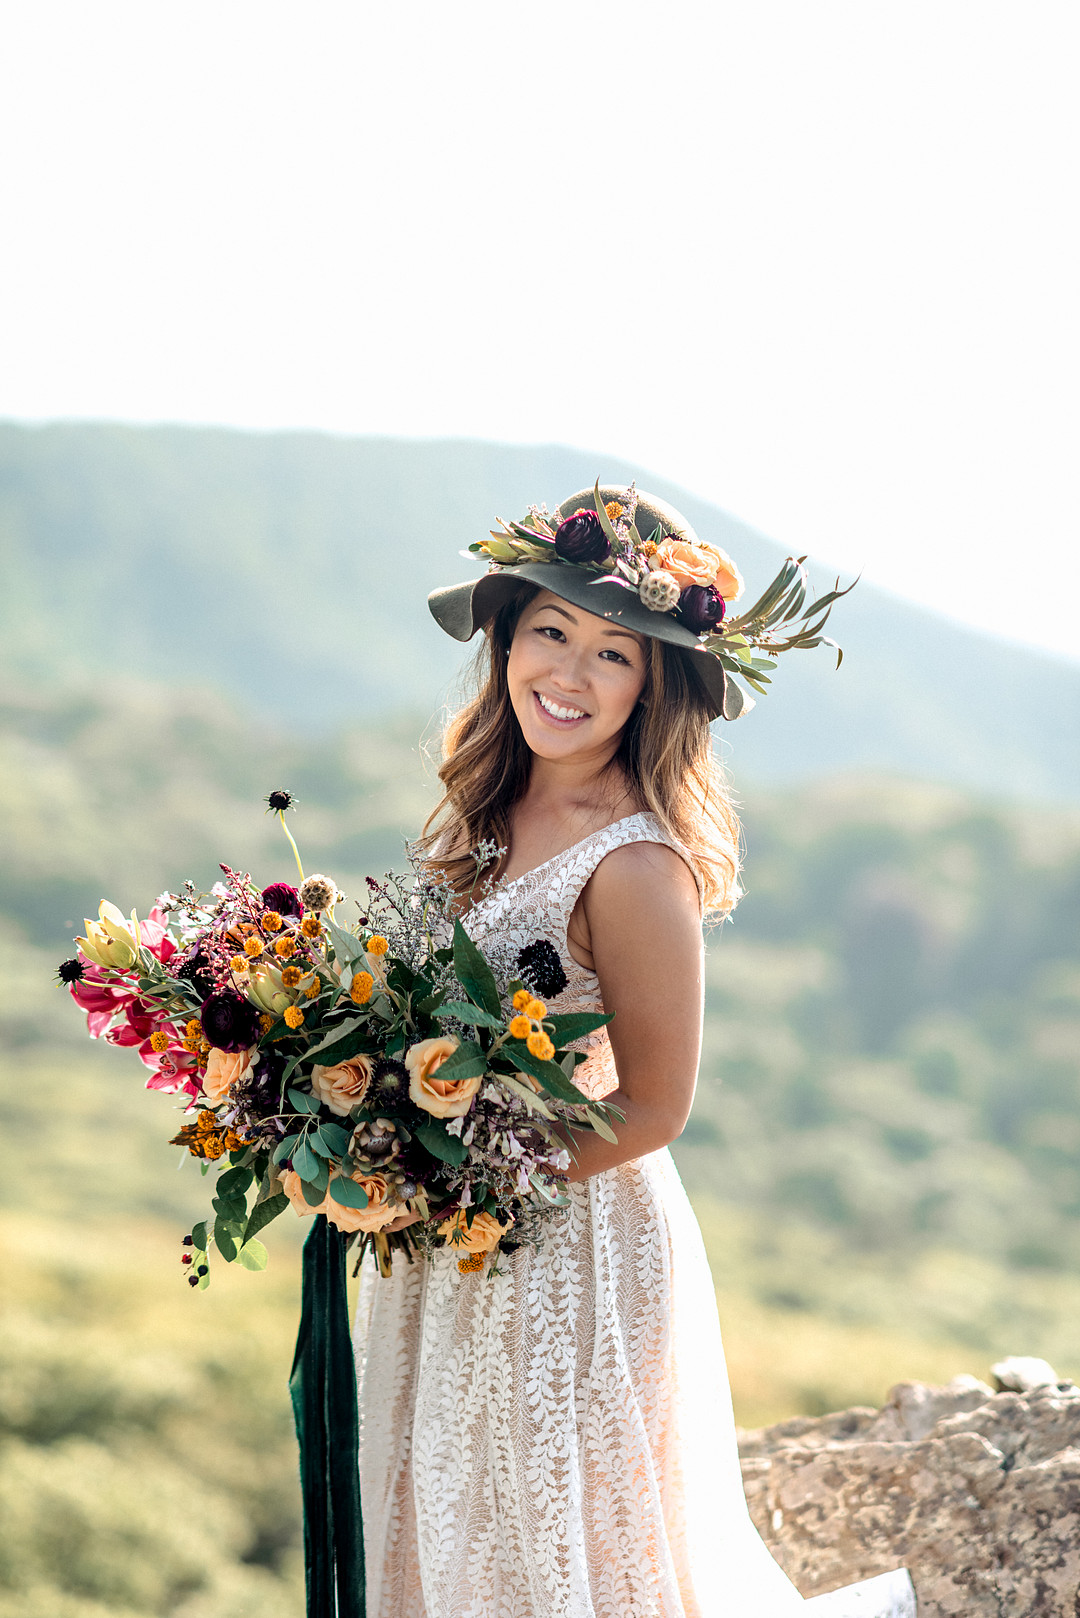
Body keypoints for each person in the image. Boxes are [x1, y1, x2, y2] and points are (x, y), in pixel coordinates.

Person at [352, 486, 916, 1617]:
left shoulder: (636, 864)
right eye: (548, 631)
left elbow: (655, 1106)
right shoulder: (485, 815)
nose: (568, 672)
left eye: (613, 653)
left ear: (653, 686)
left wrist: (459, 1182)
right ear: (505, 639)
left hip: (569, 1242)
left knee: (562, 1555)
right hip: (448, 1243)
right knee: (450, 1526)